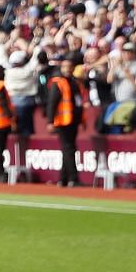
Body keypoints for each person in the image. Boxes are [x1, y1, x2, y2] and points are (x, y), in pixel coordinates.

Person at [43, 56, 85, 187]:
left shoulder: (75, 83)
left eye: (69, 67)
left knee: (67, 149)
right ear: (61, 68)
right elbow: (52, 103)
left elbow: (79, 103)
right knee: (69, 149)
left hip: (73, 121)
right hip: (63, 121)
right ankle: (73, 178)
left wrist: (82, 119)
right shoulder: (58, 83)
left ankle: (63, 179)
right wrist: (50, 121)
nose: (67, 69)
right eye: (65, 67)